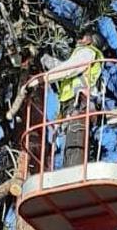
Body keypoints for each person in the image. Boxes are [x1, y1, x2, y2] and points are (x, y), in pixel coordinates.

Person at [41, 33, 104, 167]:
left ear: (89, 41)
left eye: (83, 37)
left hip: (81, 103)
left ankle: (73, 173)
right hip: (72, 104)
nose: (79, 40)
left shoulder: (87, 52)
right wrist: (48, 61)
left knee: (75, 142)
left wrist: (46, 77)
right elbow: (66, 67)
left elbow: (71, 68)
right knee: (71, 143)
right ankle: (70, 173)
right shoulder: (83, 55)